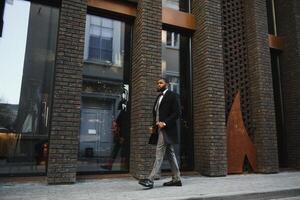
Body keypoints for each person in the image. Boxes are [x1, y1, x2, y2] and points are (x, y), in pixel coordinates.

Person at [138, 77, 182, 189]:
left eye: (161, 83)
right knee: (170, 154)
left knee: (159, 152)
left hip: (166, 129)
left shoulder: (173, 95)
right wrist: (154, 127)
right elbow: (156, 114)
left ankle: (150, 179)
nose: (158, 84)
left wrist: (165, 123)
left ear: (166, 84)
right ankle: (177, 179)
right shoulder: (158, 97)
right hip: (159, 129)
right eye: (157, 83)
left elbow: (177, 113)